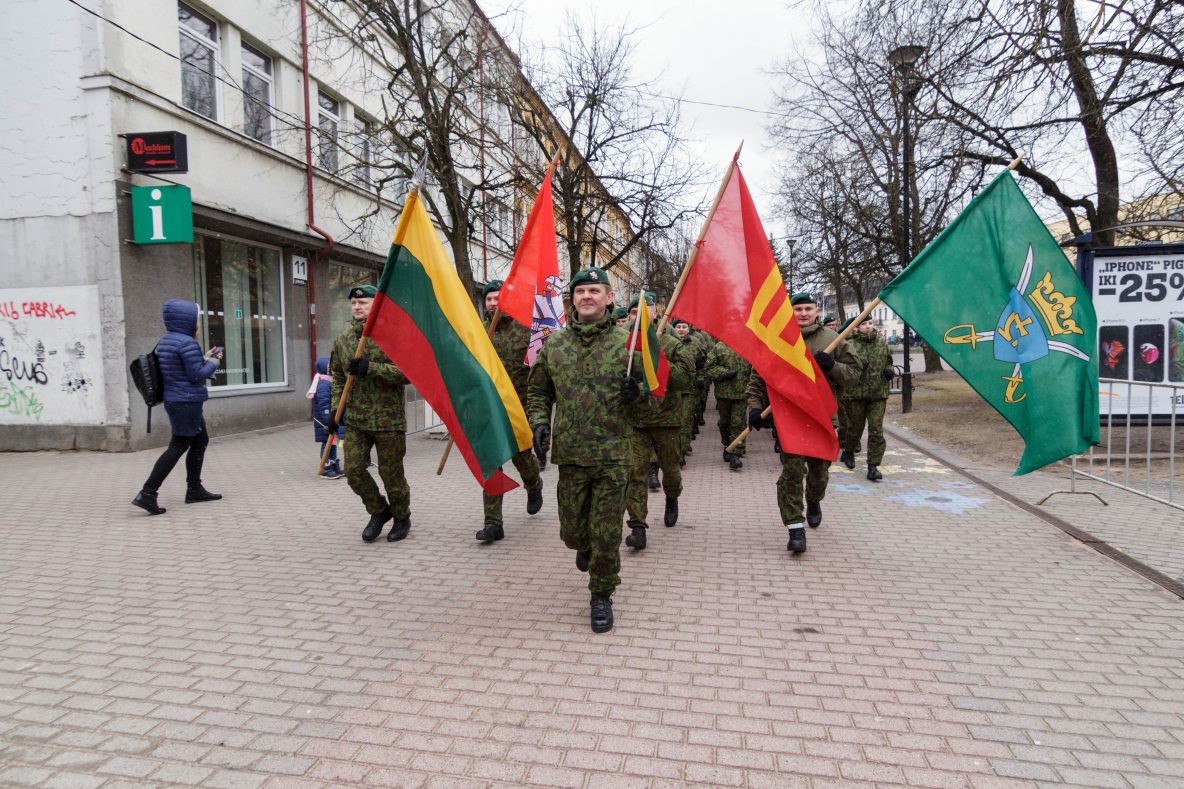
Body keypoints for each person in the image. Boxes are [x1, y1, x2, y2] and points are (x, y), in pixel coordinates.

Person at [527, 267, 646, 633]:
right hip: (572, 454)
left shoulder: (628, 345)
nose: (587, 296)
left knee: (606, 532)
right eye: (580, 291)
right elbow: (538, 391)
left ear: (609, 297)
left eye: (595, 290)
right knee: (573, 531)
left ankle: (601, 594)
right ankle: (584, 546)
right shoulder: (556, 345)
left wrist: (637, 393)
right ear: (572, 300)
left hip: (614, 454)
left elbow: (654, 395)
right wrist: (539, 422)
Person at [746, 292, 861, 554]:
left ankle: (814, 498)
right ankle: (795, 528)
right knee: (792, 473)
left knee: (819, 473)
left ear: (816, 311)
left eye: (808, 308)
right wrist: (755, 408)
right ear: (790, 312)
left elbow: (854, 374)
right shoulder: (776, 339)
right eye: (798, 309)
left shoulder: (832, 339)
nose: (804, 313)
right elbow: (758, 377)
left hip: (822, 418)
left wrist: (832, 366)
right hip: (789, 419)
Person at [329, 284, 412, 543]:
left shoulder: (393, 335)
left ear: (376, 305)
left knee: (391, 474)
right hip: (356, 419)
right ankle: (379, 510)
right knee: (353, 470)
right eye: (354, 303)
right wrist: (336, 409)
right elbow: (338, 376)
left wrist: (371, 368)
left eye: (363, 303)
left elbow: (407, 373)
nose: (357, 307)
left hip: (388, 420)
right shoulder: (344, 338)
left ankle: (401, 517)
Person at [132, 299, 224, 515]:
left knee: (200, 440)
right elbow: (196, 376)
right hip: (186, 402)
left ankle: (195, 489)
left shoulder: (167, 341)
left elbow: (180, 369)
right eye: (196, 320)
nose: (198, 324)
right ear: (187, 321)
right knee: (178, 446)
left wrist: (203, 358)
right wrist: (214, 362)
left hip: (177, 400)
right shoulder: (187, 343)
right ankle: (147, 493)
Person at [622, 292, 694, 551]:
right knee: (635, 473)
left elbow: (686, 379)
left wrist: (659, 365)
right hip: (635, 420)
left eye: (644, 310)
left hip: (666, 418)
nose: (638, 316)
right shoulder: (622, 344)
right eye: (633, 313)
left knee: (671, 470)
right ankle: (638, 526)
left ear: (655, 312)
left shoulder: (672, 343)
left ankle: (672, 497)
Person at [475, 280, 544, 543]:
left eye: (498, 298)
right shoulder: (479, 332)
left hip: (519, 405)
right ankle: (493, 523)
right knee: (491, 462)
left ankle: (534, 484)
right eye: (489, 299)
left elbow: (540, 365)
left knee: (521, 456)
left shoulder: (526, 329)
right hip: (489, 406)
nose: (493, 304)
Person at [840, 319, 894, 481]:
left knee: (876, 429)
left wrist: (889, 370)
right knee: (855, 427)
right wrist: (855, 368)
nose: (868, 326)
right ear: (857, 327)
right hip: (855, 393)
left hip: (878, 394)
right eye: (864, 324)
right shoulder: (849, 345)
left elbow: (888, 361)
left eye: (870, 323)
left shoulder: (881, 344)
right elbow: (841, 367)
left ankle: (873, 466)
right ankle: (848, 451)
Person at [704, 340, 752, 471]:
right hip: (723, 393)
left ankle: (735, 454)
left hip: (742, 393)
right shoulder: (719, 347)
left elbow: (756, 368)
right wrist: (724, 372)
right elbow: (708, 368)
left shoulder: (748, 347)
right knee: (724, 423)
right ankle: (727, 444)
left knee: (738, 423)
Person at [309, 356, 345, 479]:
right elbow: (324, 403)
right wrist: (328, 419)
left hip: (331, 420)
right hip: (325, 421)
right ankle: (325, 467)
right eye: (331, 368)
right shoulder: (324, 384)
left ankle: (333, 464)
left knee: (333, 442)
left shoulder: (329, 382)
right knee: (327, 443)